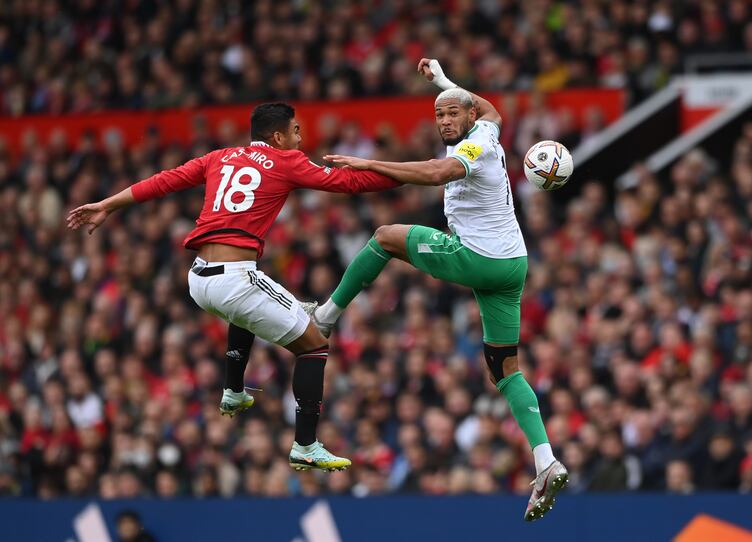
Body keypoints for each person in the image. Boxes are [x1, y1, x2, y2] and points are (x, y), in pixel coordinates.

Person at [67, 103, 398, 472]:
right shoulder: (286, 161)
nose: (301, 138)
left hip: (198, 278)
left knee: (250, 308)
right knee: (315, 344)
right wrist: (411, 174)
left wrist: (109, 205)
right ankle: (306, 444)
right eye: (297, 131)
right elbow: (349, 182)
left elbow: (164, 180)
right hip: (235, 277)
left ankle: (233, 391)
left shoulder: (219, 157)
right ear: (278, 137)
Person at [308, 58, 568, 521]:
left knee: (386, 236)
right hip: (512, 265)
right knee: (504, 367)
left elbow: (435, 173)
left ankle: (325, 316)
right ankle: (545, 459)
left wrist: (368, 163)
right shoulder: (487, 129)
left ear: (467, 117)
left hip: (479, 259)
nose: (446, 120)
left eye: (453, 113)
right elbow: (493, 111)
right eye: (440, 115)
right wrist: (447, 83)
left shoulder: (474, 150)